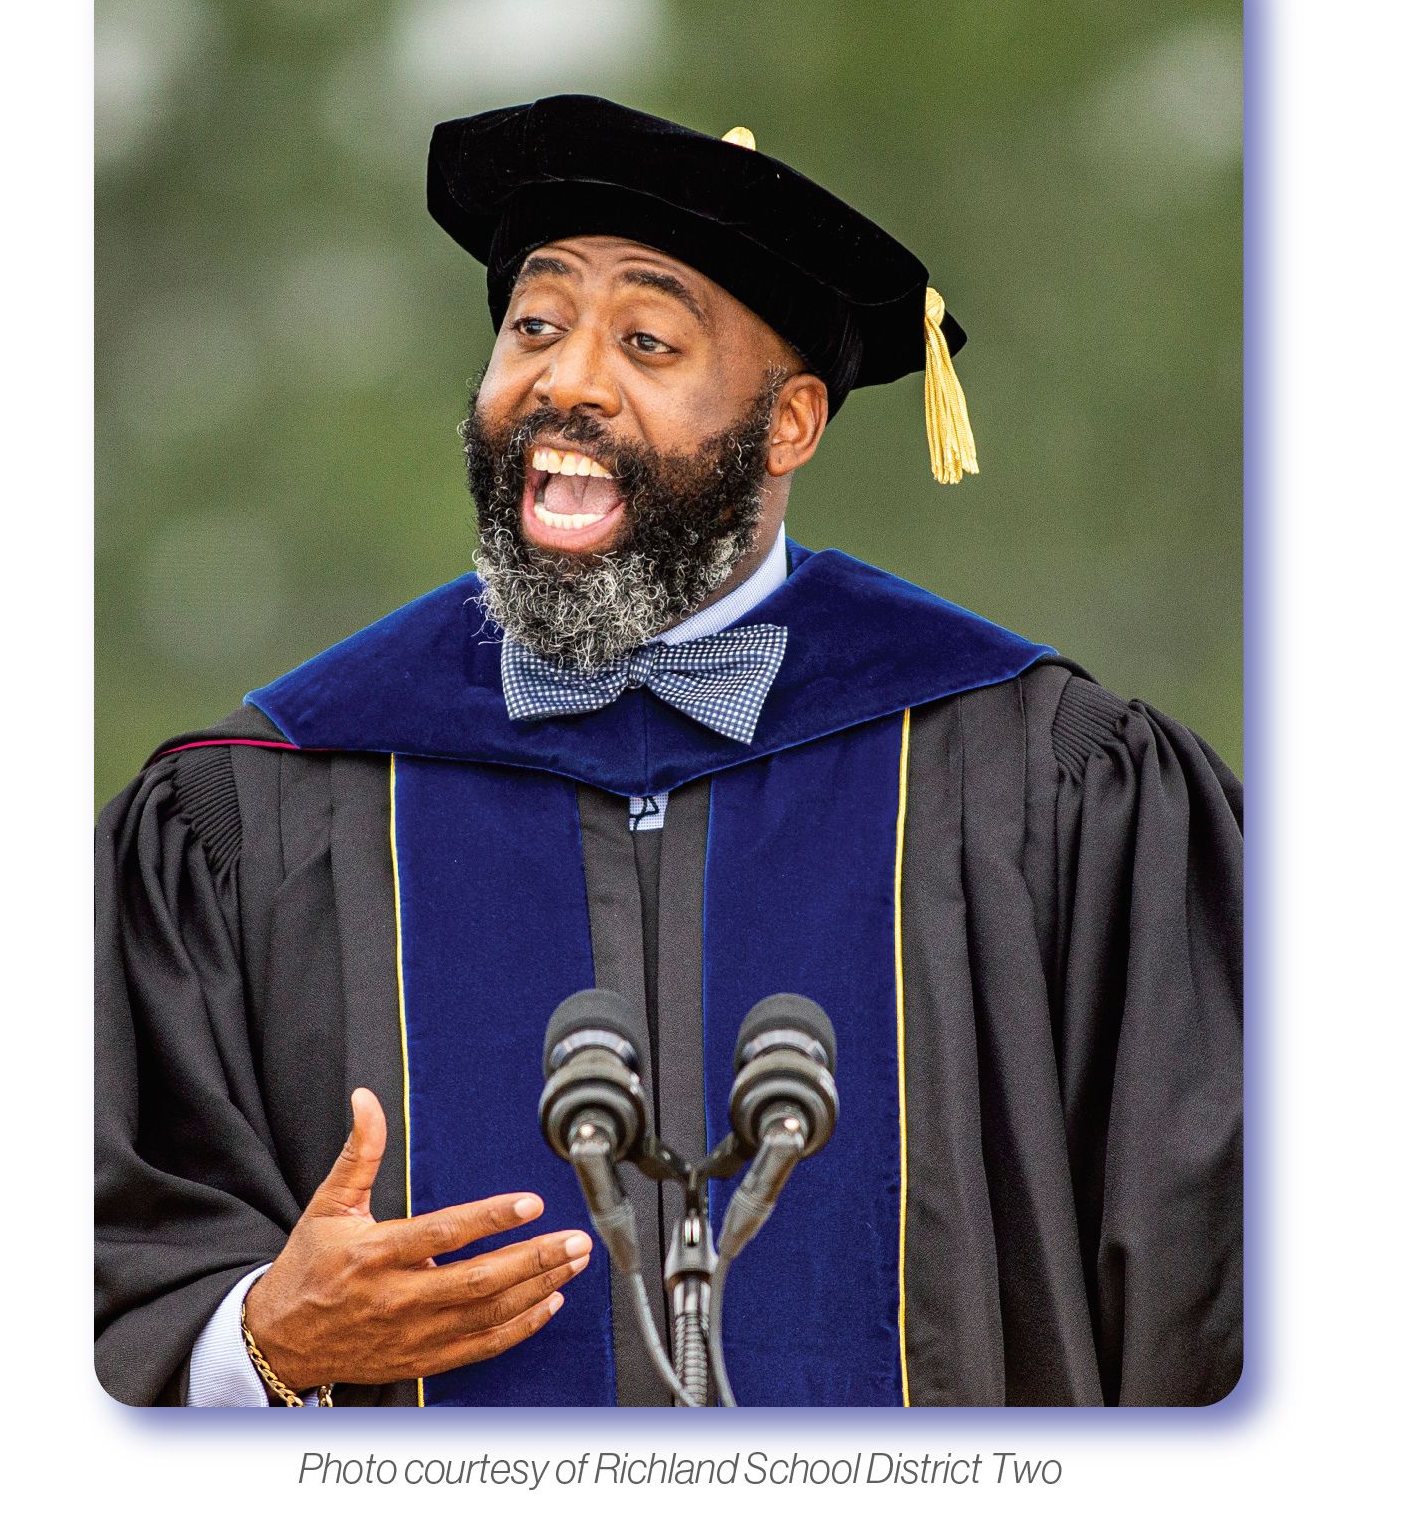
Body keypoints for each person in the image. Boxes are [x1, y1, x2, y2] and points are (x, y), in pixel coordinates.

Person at [95, 94, 1242, 1409]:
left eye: (645, 338)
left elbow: (1222, 1267)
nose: (566, 379)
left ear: (791, 424)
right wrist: (256, 1343)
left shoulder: (1045, 785)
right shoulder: (260, 801)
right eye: (534, 325)